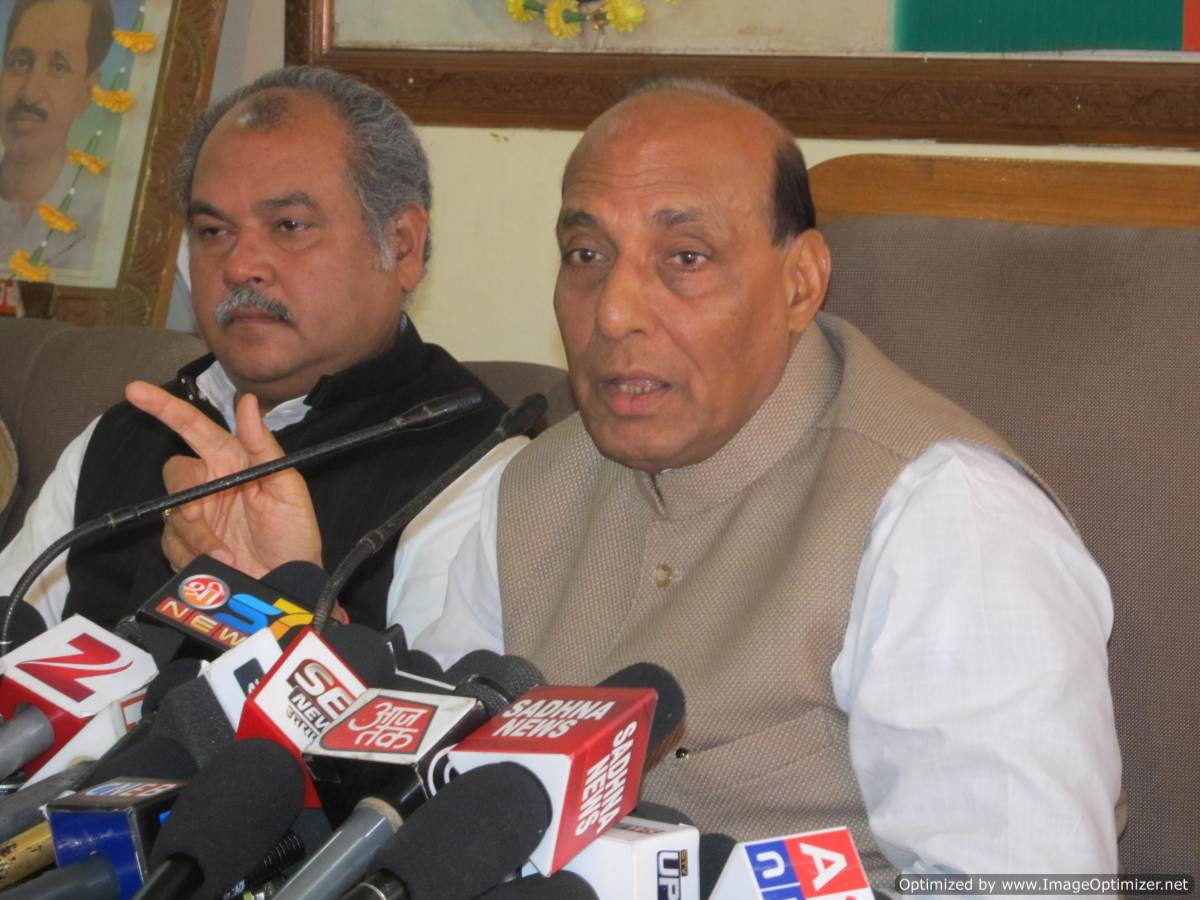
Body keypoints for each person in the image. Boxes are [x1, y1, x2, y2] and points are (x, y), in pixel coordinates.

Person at [127, 80, 1122, 885]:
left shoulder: (944, 526)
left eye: (683, 258)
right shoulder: (509, 496)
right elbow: (408, 795)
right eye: (586, 256)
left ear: (800, 283)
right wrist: (285, 621)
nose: (614, 313)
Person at [0, 65, 517, 634]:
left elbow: (433, 716)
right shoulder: (123, 435)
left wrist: (279, 598)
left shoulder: (479, 467)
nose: (240, 265)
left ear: (402, 246)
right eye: (213, 232)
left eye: (290, 225)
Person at [0, 0, 112, 271]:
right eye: (19, 62)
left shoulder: (111, 213)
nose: (29, 93)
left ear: (88, 91)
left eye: (58, 67)